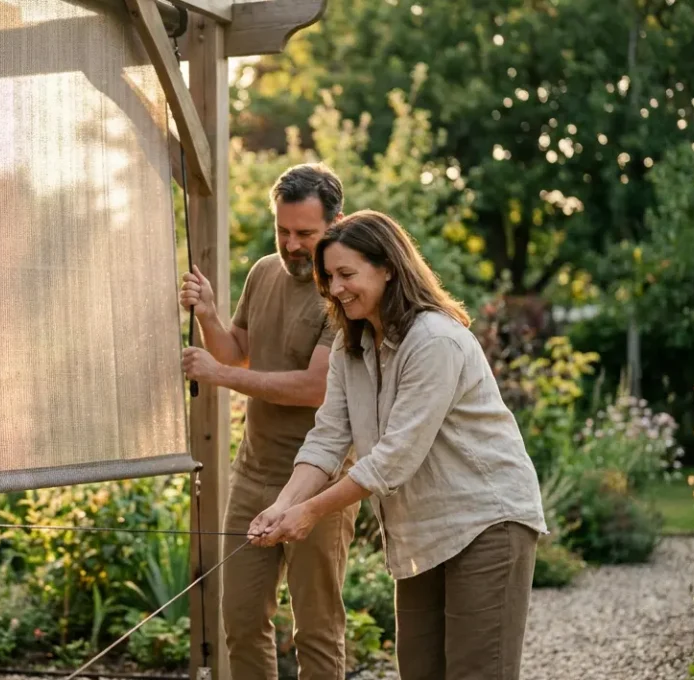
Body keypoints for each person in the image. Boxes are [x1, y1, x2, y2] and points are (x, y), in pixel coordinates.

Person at [249, 210, 548, 680]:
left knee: (476, 672)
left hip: (486, 522)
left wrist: (308, 513)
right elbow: (327, 438)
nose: (337, 287)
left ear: (388, 267)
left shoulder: (434, 341)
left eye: (348, 274)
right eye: (330, 277)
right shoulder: (352, 347)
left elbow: (394, 459)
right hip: (423, 534)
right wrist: (282, 505)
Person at [178, 163, 355, 679]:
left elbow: (314, 387)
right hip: (253, 475)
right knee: (240, 619)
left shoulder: (343, 293)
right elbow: (237, 353)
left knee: (316, 630)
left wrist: (220, 376)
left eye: (306, 234)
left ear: (336, 224)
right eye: (283, 231)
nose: (292, 244)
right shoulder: (262, 273)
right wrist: (210, 314)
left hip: (321, 483)